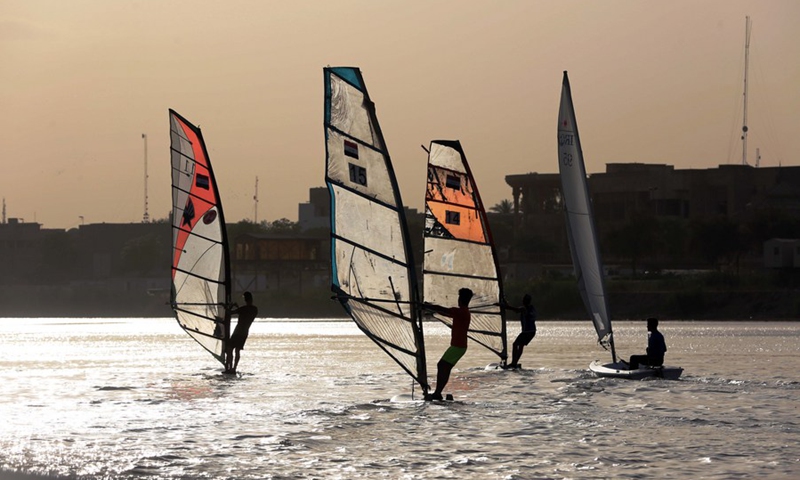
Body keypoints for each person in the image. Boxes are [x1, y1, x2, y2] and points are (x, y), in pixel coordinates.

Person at [423, 288, 473, 401]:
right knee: (444, 367)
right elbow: (444, 311)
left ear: (461, 299)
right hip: (458, 346)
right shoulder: (463, 311)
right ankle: (437, 393)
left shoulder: (462, 312)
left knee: (442, 366)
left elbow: (445, 311)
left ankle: (437, 393)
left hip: (458, 347)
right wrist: (430, 307)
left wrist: (429, 306)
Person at [224, 291, 258, 374]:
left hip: (238, 331)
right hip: (245, 332)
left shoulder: (243, 309)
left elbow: (230, 313)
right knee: (237, 350)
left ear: (245, 299)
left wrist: (229, 306)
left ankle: (229, 368)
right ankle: (234, 368)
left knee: (229, 348)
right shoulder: (254, 309)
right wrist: (238, 307)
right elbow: (244, 313)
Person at [504, 293, 537, 369]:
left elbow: (514, 309)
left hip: (527, 332)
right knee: (521, 345)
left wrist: (503, 305)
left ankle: (513, 363)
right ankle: (515, 362)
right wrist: (505, 304)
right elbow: (514, 310)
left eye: (523, 300)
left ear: (525, 301)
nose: (522, 301)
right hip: (532, 331)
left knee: (515, 344)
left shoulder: (524, 308)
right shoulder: (531, 308)